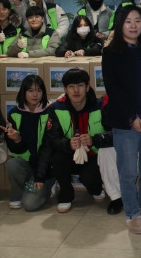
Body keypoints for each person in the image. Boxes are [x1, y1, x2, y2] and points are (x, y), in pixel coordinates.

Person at [102, 5, 141, 234]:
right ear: (120, 24)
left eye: (138, 20)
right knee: (128, 171)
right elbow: (114, 89)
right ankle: (132, 213)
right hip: (125, 120)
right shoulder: (110, 53)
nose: (133, 25)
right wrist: (131, 117)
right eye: (128, 21)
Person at [42, 68, 108, 213]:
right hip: (68, 155)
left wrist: (94, 140)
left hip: (93, 156)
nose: (76, 90)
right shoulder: (56, 108)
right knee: (57, 158)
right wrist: (67, 144)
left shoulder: (99, 106)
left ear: (87, 87)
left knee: (90, 179)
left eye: (80, 85)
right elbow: (52, 139)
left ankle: (96, 188)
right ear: (65, 89)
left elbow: (112, 135)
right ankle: (66, 195)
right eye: (71, 86)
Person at [5, 75, 57, 211]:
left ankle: (48, 184)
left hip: (46, 168)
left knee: (30, 205)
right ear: (24, 92)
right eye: (30, 90)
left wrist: (41, 175)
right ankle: (18, 193)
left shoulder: (51, 111)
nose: (35, 94)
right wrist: (17, 139)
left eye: (39, 90)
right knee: (12, 164)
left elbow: (50, 146)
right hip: (27, 163)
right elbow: (15, 150)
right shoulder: (14, 113)